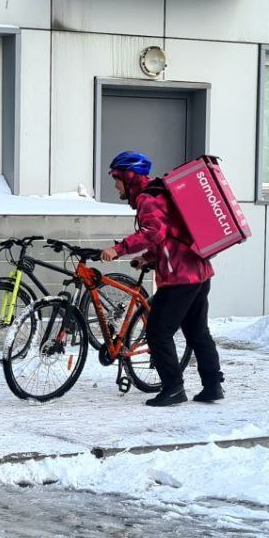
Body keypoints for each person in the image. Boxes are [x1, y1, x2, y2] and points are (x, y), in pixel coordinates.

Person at [99, 151, 224, 407]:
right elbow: (169, 235)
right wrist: (149, 258)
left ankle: (173, 388)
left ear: (129, 177)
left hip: (180, 278)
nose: (116, 186)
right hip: (198, 272)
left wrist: (118, 249)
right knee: (197, 332)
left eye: (117, 180)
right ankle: (212, 386)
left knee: (158, 332)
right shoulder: (160, 192)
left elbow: (154, 232)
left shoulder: (148, 198)